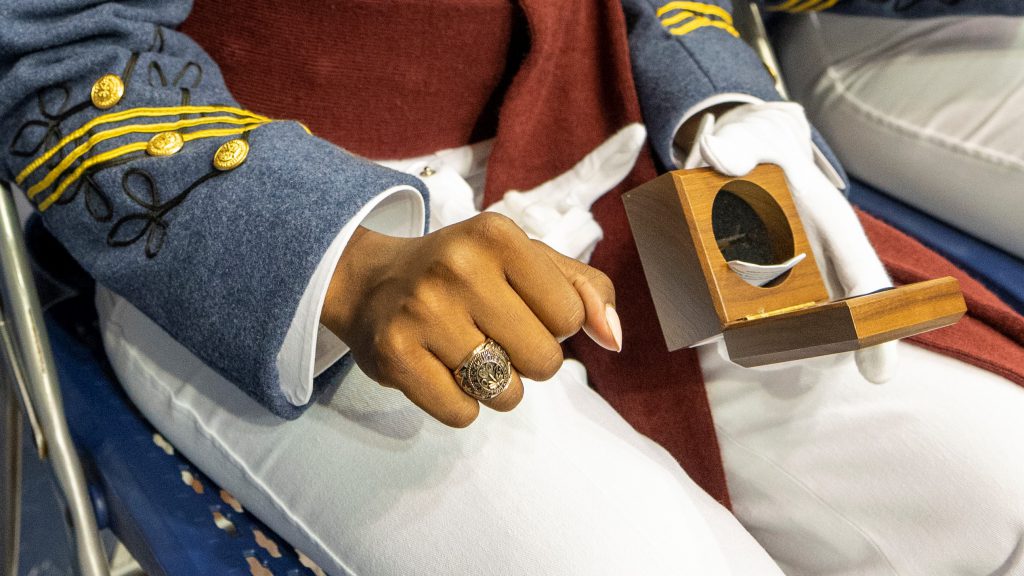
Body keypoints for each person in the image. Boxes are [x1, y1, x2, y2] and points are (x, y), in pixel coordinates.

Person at [2, 0, 1023, 574]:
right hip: (301, 239)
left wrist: (719, 102)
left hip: (613, 152)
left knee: (997, 489)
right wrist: (351, 257)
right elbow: (58, 47)